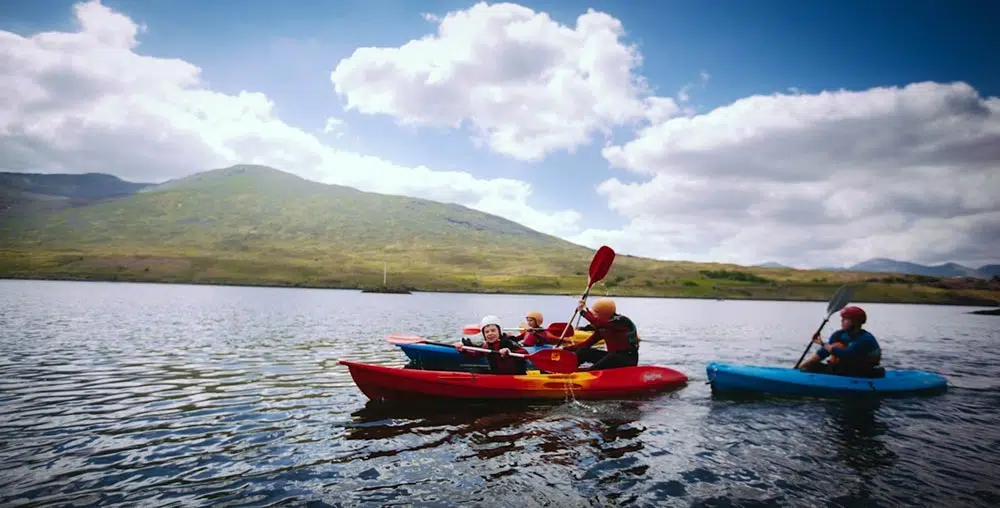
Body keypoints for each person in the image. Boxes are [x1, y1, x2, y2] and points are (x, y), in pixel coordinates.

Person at [798, 305, 883, 377]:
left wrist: (823, 344)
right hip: (845, 368)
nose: (841, 321)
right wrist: (802, 366)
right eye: (842, 318)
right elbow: (823, 352)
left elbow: (847, 354)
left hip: (865, 371)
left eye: (845, 319)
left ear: (855, 322)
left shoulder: (865, 339)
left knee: (837, 347)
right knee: (810, 366)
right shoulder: (838, 334)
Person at [557, 297, 639, 370]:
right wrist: (563, 349)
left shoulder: (621, 321)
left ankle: (590, 372)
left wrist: (583, 312)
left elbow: (598, 323)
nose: (594, 316)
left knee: (611, 357)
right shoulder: (603, 328)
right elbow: (586, 344)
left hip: (627, 360)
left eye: (596, 314)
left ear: (604, 315)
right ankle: (565, 369)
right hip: (612, 357)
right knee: (583, 351)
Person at [457, 315, 528, 375]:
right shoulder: (485, 346)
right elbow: (474, 355)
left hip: (515, 375)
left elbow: (525, 354)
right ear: (484, 335)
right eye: (487, 332)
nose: (490, 333)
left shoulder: (508, 342)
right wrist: (463, 350)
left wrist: (509, 352)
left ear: (499, 331)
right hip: (497, 375)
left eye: (493, 330)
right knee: (476, 371)